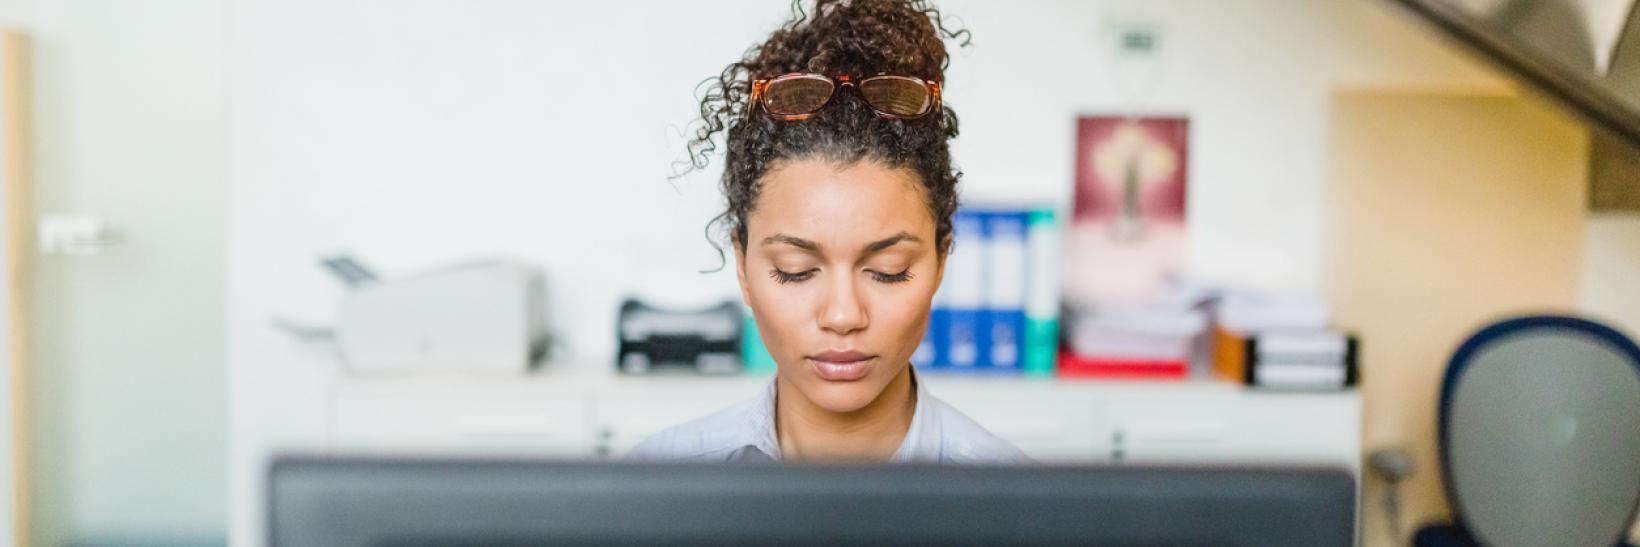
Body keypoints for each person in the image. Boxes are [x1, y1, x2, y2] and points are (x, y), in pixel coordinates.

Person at [628, 0, 1026, 464]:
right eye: (795, 271)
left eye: (888, 271)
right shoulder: (663, 481)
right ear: (742, 266)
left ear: (942, 258)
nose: (842, 315)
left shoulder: (1025, 511)